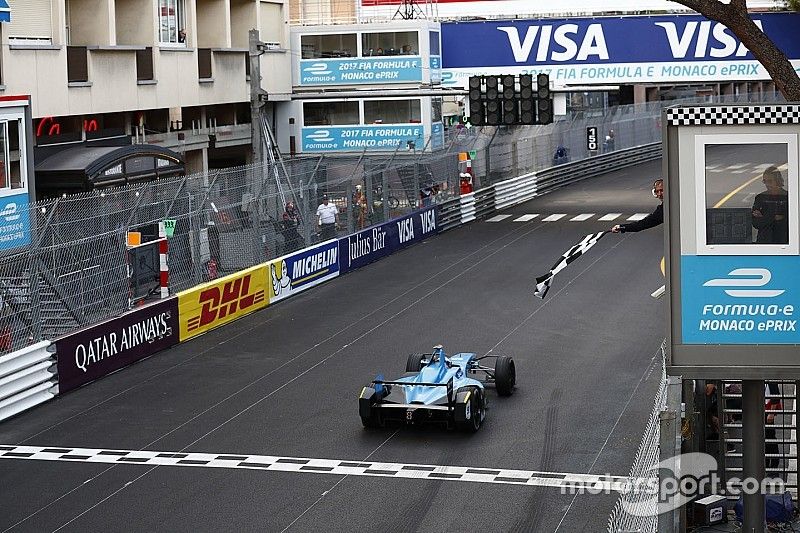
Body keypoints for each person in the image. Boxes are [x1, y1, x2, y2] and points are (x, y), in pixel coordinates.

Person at [751, 165, 788, 244]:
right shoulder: (760, 198)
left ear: (778, 181)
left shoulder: (787, 198)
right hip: (764, 242)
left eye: (770, 181)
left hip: (784, 242)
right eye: (765, 181)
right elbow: (756, 223)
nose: (767, 184)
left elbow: (788, 221)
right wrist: (775, 217)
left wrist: (764, 217)